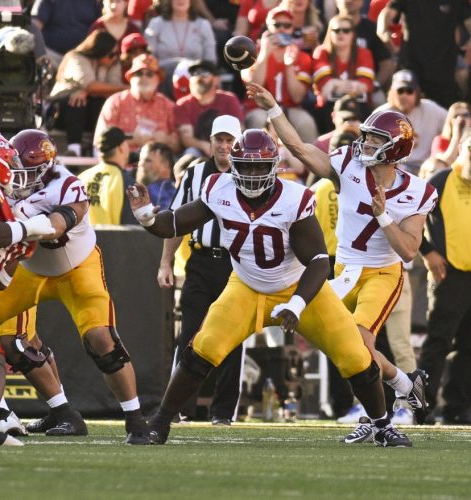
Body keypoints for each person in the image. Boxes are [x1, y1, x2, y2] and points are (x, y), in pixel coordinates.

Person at [129, 128, 415, 448]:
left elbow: (319, 261)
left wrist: (296, 304)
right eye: (245, 166)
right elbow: (173, 224)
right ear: (233, 165)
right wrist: (145, 216)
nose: (252, 174)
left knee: (356, 356)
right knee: (203, 349)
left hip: (298, 286)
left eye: (259, 167)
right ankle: (160, 423)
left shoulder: (295, 198)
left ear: (274, 166)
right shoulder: (217, 188)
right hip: (247, 287)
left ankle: (382, 425)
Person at [246, 81, 437, 440]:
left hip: (382, 272)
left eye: (377, 140)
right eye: (367, 137)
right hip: (345, 269)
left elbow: (410, 250)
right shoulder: (349, 162)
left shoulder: (417, 189)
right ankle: (405, 385)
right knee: (339, 345)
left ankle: (376, 417)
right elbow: (301, 150)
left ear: (395, 148)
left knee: (361, 346)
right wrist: (273, 108)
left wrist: (383, 217)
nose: (366, 144)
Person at [0, 129, 150, 445]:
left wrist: (24, 223)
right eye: (16, 169)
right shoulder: (6, 188)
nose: (18, 178)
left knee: (103, 341)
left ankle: (136, 419)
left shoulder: (68, 185)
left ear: (45, 168)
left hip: (77, 269)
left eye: (27, 171)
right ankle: (30, 414)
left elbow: (58, 224)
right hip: (29, 270)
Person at [157, 115, 244, 425]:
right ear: (210, 141)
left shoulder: (249, 172)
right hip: (200, 262)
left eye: (229, 140)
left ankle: (223, 412)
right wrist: (166, 261)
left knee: (232, 337)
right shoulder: (194, 174)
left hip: (237, 265)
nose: (223, 146)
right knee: (189, 335)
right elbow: (177, 221)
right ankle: (178, 407)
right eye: (219, 139)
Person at [0, 132, 56, 446]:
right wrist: (27, 228)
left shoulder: (2, 209)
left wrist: (18, 251)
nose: (14, 169)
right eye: (9, 161)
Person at [418, 135, 471, 425]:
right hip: (448, 275)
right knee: (438, 342)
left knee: (468, 347)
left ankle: (457, 408)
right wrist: (427, 252)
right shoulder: (441, 180)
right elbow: (410, 215)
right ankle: (422, 409)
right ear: (461, 151)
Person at [242, 6, 318, 144]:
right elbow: (253, 86)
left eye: (287, 25)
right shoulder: (253, 53)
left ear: (292, 29)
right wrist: (264, 54)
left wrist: (288, 65)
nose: (282, 29)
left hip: (290, 108)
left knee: (307, 122)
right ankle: (254, 162)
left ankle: (309, 165)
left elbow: (297, 97)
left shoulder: (302, 56)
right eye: (277, 25)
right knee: (257, 119)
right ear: (267, 27)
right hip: (260, 108)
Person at [50, 30, 128, 157]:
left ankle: (97, 148)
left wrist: (87, 91)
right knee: (77, 100)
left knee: (100, 103)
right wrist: (128, 88)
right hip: (61, 109)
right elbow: (91, 85)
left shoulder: (113, 62)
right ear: (99, 50)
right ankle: (74, 149)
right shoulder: (76, 57)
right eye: (111, 54)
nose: (115, 57)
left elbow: (112, 88)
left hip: (91, 107)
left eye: (117, 53)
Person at [377, 0, 467, 108]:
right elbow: (388, 12)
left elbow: (468, 20)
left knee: (443, 110)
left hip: (443, 67)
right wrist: (382, 30)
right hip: (412, 64)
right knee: (404, 106)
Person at [93, 53, 179, 155]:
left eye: (149, 74)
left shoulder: (168, 105)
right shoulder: (115, 102)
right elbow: (101, 141)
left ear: (158, 79)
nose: (143, 77)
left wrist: (166, 140)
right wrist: (133, 138)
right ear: (130, 78)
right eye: (138, 74)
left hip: (157, 166)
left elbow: (178, 147)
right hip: (123, 165)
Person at [373, 69, 447, 176]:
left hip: (425, 170)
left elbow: (453, 124)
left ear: (417, 93)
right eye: (400, 91)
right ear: (392, 92)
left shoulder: (431, 109)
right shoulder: (381, 115)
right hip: (392, 169)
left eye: (409, 91)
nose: (404, 95)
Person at [312, 14, 375, 133]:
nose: (341, 34)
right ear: (330, 33)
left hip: (359, 105)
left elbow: (364, 86)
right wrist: (351, 86)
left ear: (353, 34)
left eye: (346, 30)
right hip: (328, 106)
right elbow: (324, 89)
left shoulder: (364, 53)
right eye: (336, 30)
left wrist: (335, 83)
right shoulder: (321, 52)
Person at [174, 59, 244, 157]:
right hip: (199, 151)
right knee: (190, 153)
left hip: (227, 148)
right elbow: (186, 138)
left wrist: (222, 147)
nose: (199, 77)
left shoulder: (229, 100)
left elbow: (239, 131)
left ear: (216, 79)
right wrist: (204, 146)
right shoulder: (183, 104)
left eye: (204, 73)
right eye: (195, 73)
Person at [79, 126, 138, 225]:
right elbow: (132, 231)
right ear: (122, 148)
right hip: (112, 239)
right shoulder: (128, 184)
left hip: (83, 239)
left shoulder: (80, 178)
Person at [31, 0, 102, 68]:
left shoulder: (96, 2)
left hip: (78, 59)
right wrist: (40, 55)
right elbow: (34, 27)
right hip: (49, 54)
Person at [136, 141, 176, 209]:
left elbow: (167, 217)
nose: (141, 164)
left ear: (165, 165)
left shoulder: (164, 190)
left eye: (148, 160)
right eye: (140, 160)